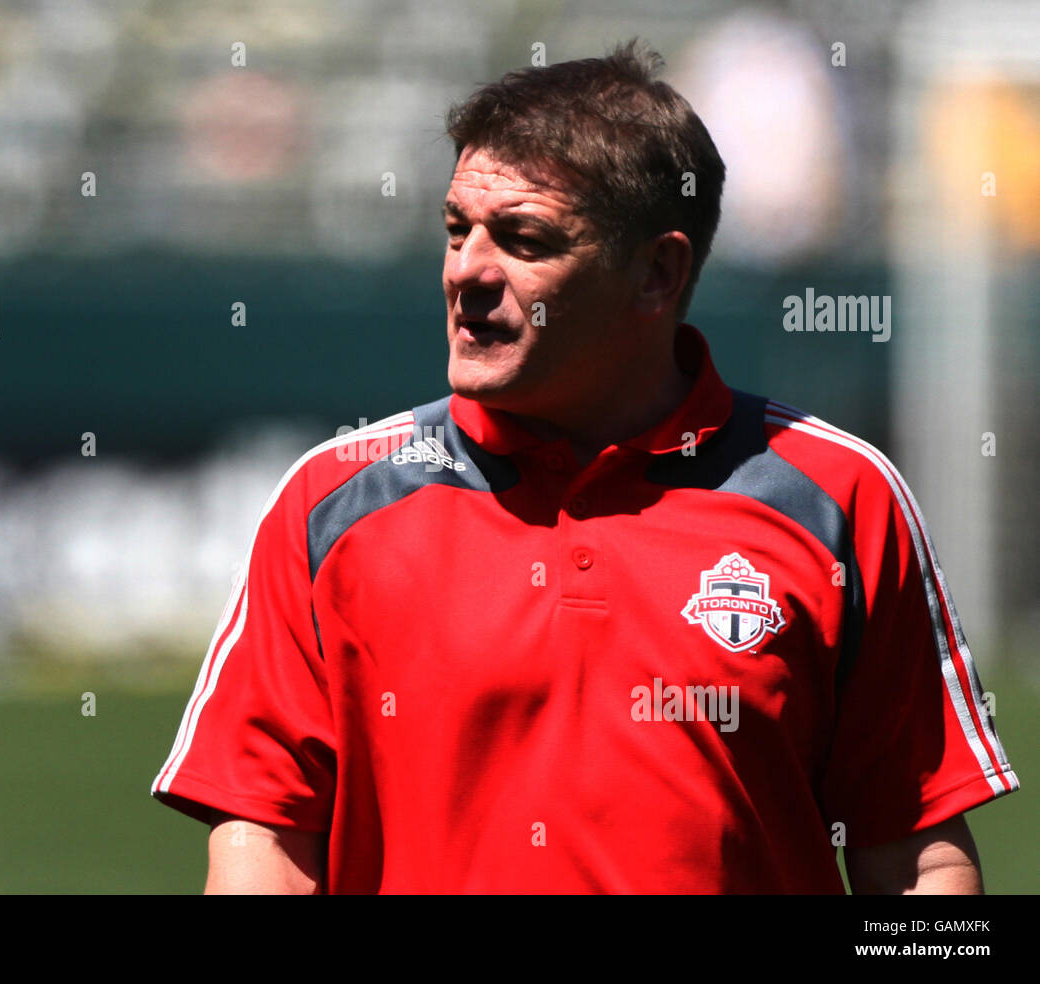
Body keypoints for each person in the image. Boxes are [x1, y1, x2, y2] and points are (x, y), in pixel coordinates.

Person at [150, 41, 1018, 894]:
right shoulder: (334, 504)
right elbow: (263, 837)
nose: (467, 272)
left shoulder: (836, 496)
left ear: (658, 272)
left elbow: (917, 856)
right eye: (457, 230)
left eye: (521, 238)